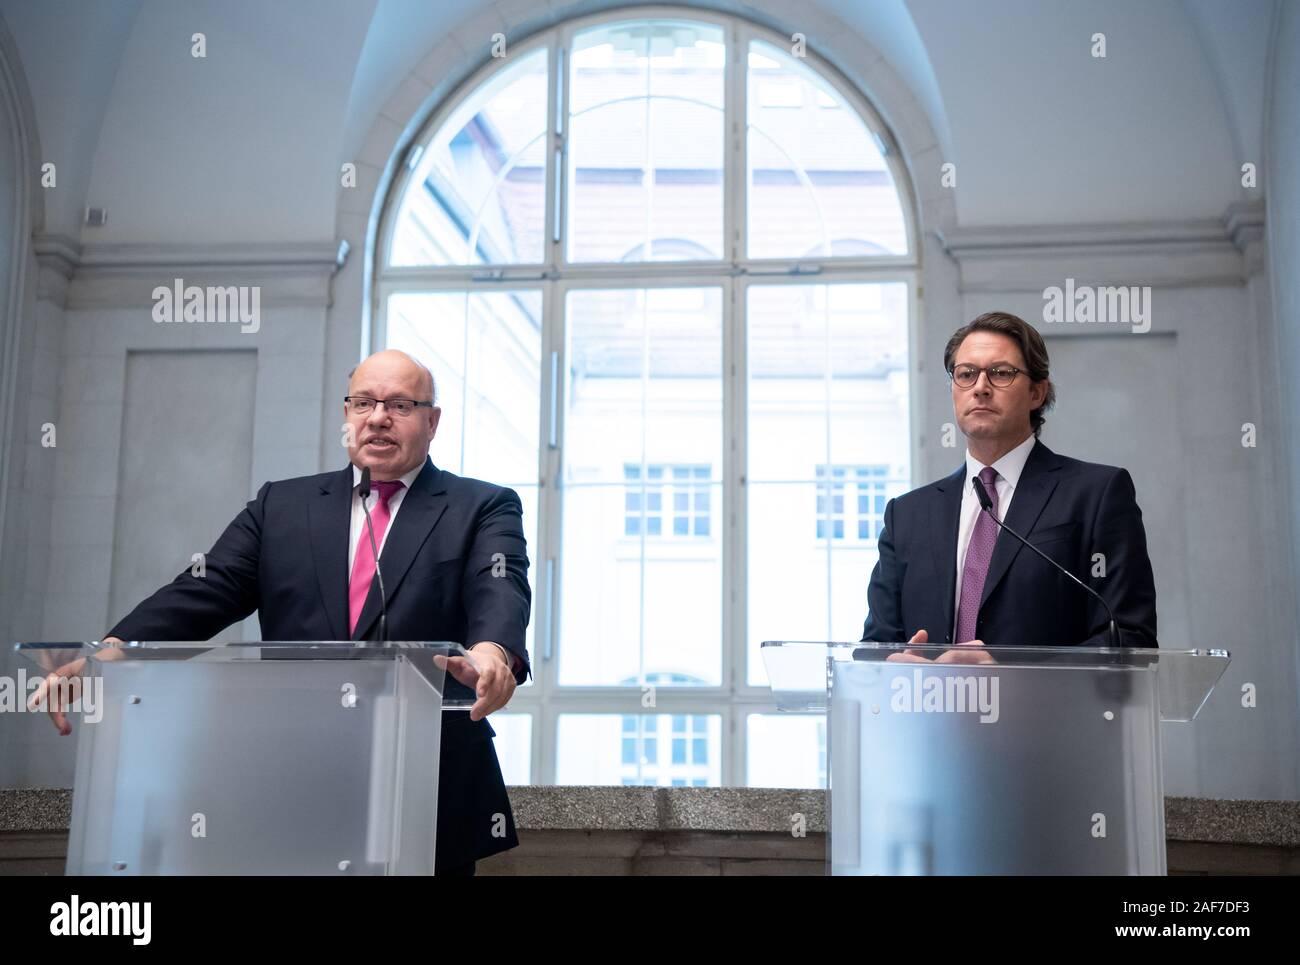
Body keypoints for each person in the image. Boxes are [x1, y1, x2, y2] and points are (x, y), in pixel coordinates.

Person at [33, 349, 530, 874]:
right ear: (347, 416)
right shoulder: (282, 506)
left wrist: (491, 652)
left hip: (427, 779)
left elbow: (499, 588)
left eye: (400, 405)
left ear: (432, 422)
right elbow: (206, 590)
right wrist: (108, 655)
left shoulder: (482, 505)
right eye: (364, 402)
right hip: (289, 777)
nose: (378, 417)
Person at [861, 311, 1157, 658]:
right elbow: (875, 646)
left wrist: (1006, 668)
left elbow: (1128, 638)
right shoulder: (907, 514)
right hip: (933, 710)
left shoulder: (1097, 494)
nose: (980, 388)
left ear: (1037, 393)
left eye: (1001, 373)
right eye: (966, 374)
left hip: (1048, 712)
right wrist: (893, 665)